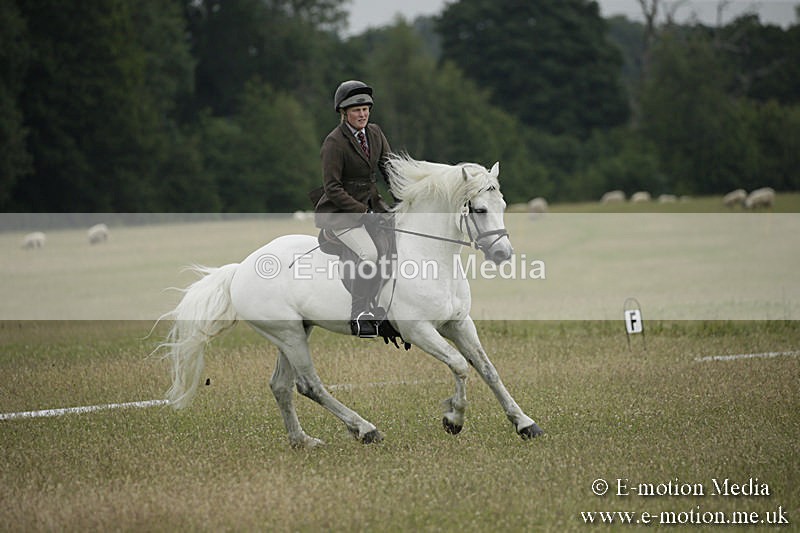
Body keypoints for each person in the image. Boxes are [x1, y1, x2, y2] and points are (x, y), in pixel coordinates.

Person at [313, 80, 394, 338]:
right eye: (357, 110)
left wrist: (403, 200)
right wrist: (363, 213)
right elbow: (332, 188)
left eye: (366, 109)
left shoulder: (375, 133)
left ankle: (388, 307)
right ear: (344, 112)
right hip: (341, 214)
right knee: (369, 254)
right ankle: (359, 313)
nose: (362, 114)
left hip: (374, 205)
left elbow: (389, 170)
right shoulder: (334, 143)